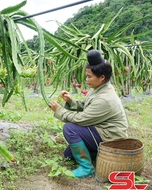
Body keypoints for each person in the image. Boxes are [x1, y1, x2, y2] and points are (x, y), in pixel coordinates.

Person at [49, 49, 128, 178]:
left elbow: (81, 119)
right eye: (86, 76)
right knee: (69, 155)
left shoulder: (105, 99)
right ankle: (98, 155)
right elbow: (85, 107)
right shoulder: (98, 88)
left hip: (111, 138)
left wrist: (59, 110)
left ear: (102, 78)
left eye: (89, 76)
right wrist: (71, 101)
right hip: (100, 130)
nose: (86, 79)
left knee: (70, 128)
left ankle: (87, 168)